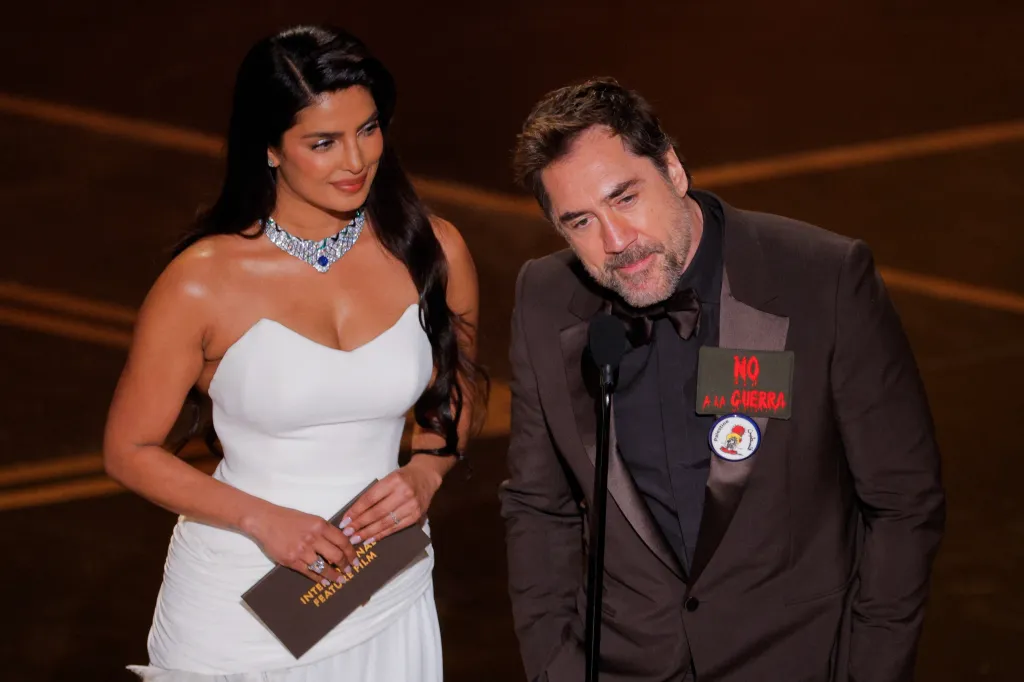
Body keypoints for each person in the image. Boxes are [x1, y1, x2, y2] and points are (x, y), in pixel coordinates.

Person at [500, 78, 944, 682]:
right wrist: (557, 669)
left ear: (673, 169)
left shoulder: (824, 280)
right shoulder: (545, 299)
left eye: (625, 198)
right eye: (581, 222)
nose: (616, 241)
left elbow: (903, 503)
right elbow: (537, 506)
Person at [102, 25, 483, 681]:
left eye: (368, 129)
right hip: (240, 600)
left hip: (384, 586)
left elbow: (458, 389)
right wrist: (262, 520)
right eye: (323, 142)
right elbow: (127, 451)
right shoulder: (201, 282)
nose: (355, 160)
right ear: (271, 148)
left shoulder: (434, 250)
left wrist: (427, 471)